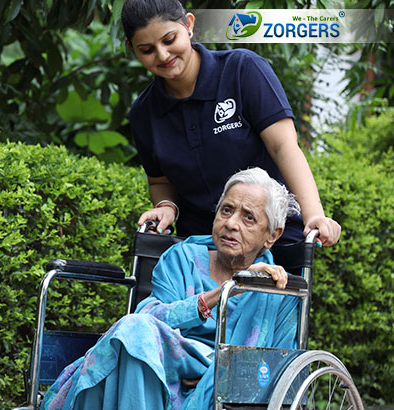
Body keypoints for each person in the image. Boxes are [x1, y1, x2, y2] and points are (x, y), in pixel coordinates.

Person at [39, 168, 302, 410]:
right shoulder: (181, 258)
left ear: (272, 235)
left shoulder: (281, 292)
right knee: (135, 332)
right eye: (226, 210)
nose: (231, 224)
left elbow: (278, 371)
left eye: (248, 217)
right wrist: (221, 293)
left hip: (219, 388)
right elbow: (148, 319)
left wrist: (211, 377)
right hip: (158, 369)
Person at [122, 0, 341, 246]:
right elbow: (160, 181)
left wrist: (314, 215)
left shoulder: (242, 70)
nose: (163, 55)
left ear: (189, 25)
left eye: (170, 40)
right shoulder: (143, 113)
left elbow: (284, 148)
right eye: (147, 50)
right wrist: (166, 206)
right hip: (199, 248)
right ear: (132, 48)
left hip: (273, 240)